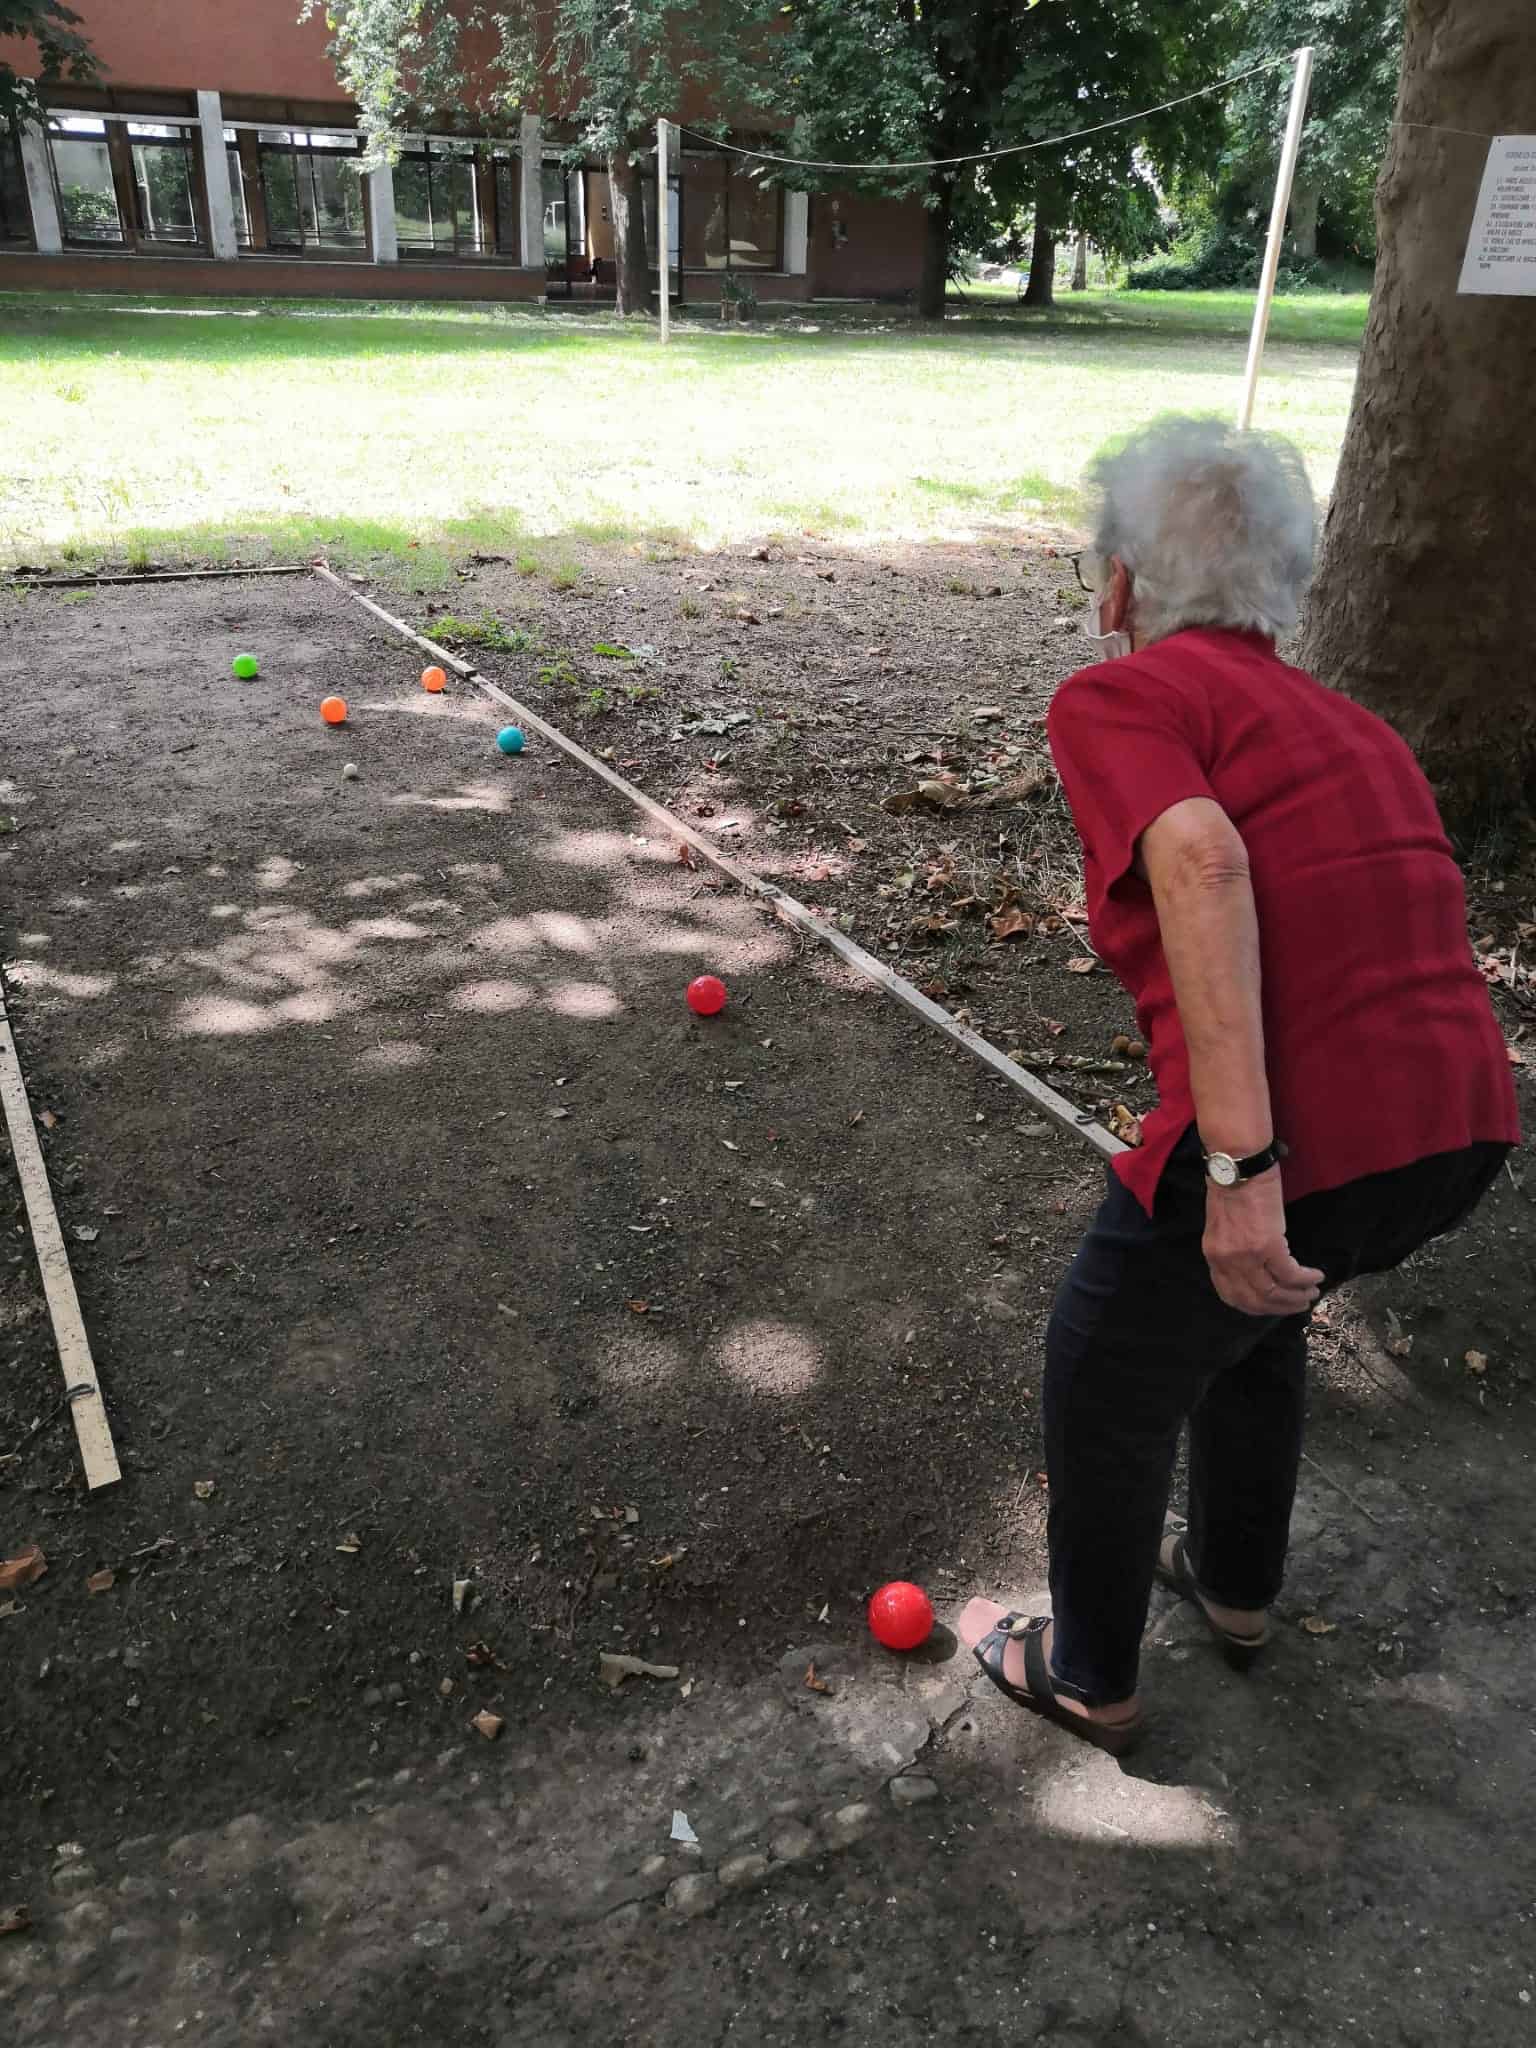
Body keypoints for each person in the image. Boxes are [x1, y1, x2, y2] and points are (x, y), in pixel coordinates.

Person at [958, 415, 1519, 1754]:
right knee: (1252, 1315)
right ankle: (1233, 1583)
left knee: (1105, 1365)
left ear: (1118, 587)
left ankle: (1090, 1675)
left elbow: (1205, 861)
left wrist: (1241, 1171)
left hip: (1309, 1143)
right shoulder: (1359, 727)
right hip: (1459, 1132)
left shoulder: (1119, 698)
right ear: (1283, 589)